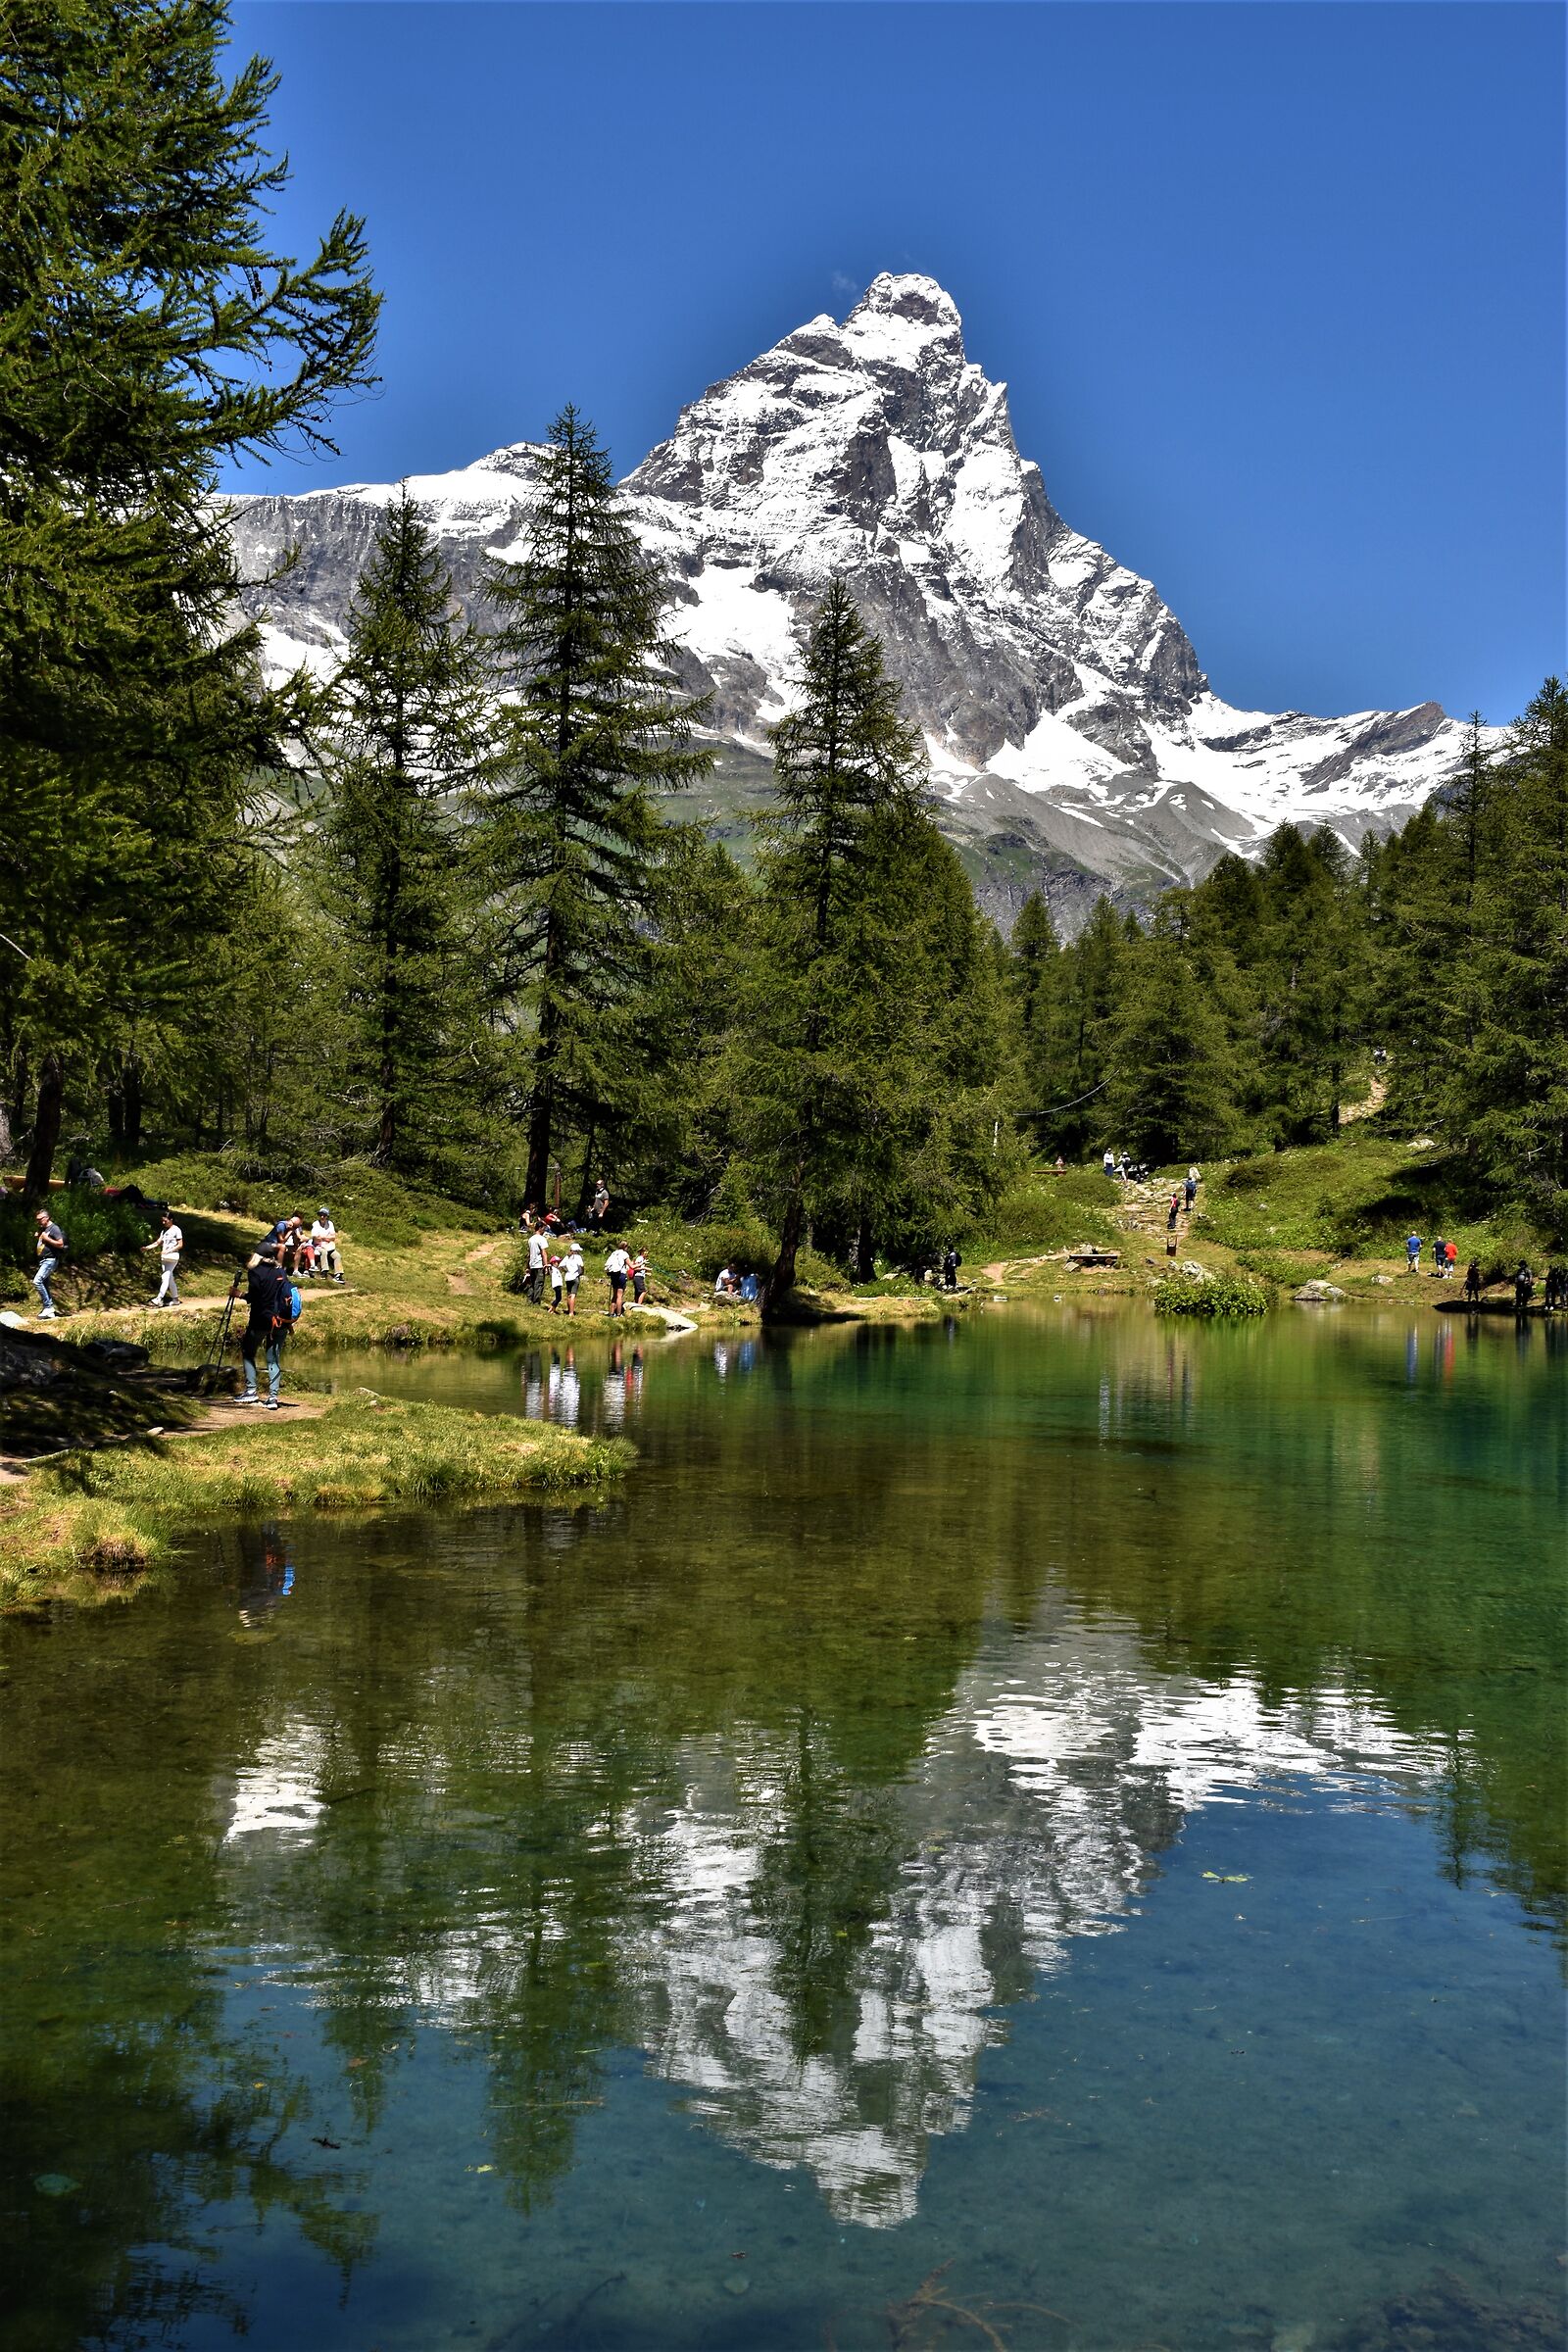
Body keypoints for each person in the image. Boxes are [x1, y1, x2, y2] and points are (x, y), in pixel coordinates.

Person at [230, 1239, 292, 1408]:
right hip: (281, 1321)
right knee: (273, 1358)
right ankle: (273, 1398)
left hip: (261, 1319)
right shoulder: (281, 1272)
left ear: (258, 1256)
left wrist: (239, 1294)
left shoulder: (256, 1272)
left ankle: (251, 1391)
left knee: (248, 1351)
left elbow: (256, 1296)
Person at [143, 1209, 183, 1307]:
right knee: (170, 1279)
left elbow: (180, 1245)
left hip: (172, 1257)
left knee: (165, 1277)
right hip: (164, 1258)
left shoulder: (176, 1230)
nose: (163, 1222)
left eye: (165, 1221)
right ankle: (175, 1300)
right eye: (163, 1220)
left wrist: (169, 1251)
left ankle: (159, 1299)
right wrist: (147, 1248)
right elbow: (158, 1243)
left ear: (171, 1220)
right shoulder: (164, 1231)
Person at [31, 1208, 65, 1319]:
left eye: (40, 1219)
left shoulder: (54, 1229)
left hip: (50, 1260)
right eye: (37, 1220)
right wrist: (39, 1237)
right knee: (44, 1284)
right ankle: (49, 1312)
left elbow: (60, 1244)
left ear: (46, 1218)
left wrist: (47, 1239)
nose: (38, 1222)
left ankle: (48, 1307)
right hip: (43, 1260)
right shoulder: (44, 1228)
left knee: (37, 1281)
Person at [312, 1208, 344, 1284]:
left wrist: (323, 1237)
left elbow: (333, 1237)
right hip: (318, 1246)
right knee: (324, 1252)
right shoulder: (315, 1224)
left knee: (337, 1256)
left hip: (329, 1246)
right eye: (321, 1215)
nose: (322, 1217)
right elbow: (315, 1238)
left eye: (324, 1215)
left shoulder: (330, 1224)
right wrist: (327, 1238)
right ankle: (324, 1271)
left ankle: (338, 1274)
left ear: (327, 1216)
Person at [605, 1241, 630, 1317]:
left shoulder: (614, 1253)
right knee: (619, 1296)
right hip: (621, 1275)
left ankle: (611, 1313)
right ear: (625, 1247)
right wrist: (641, 1264)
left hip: (614, 1274)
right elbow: (632, 1266)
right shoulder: (624, 1254)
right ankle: (619, 1314)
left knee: (615, 1295)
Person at [561, 1240, 584, 1317]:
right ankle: (571, 1312)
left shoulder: (567, 1257)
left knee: (569, 1294)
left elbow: (561, 1266)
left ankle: (568, 1310)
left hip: (568, 1277)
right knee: (573, 1295)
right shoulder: (578, 1257)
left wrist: (566, 1270)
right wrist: (582, 1272)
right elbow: (581, 1265)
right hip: (575, 1276)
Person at [525, 1223, 547, 1306]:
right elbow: (543, 1253)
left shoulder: (531, 1239)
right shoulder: (541, 1239)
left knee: (532, 1284)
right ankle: (536, 1302)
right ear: (540, 1228)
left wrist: (527, 1266)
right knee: (539, 1284)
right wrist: (546, 1265)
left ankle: (529, 1300)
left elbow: (528, 1254)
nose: (544, 1230)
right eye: (543, 1228)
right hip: (539, 1265)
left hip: (532, 1264)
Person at [548, 1248, 564, 1314]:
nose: (558, 1263)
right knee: (558, 1298)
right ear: (554, 1262)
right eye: (557, 1262)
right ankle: (551, 1309)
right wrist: (549, 1265)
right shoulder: (552, 1268)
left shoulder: (556, 1269)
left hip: (558, 1284)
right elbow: (549, 1266)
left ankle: (553, 1309)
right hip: (556, 1284)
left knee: (559, 1298)